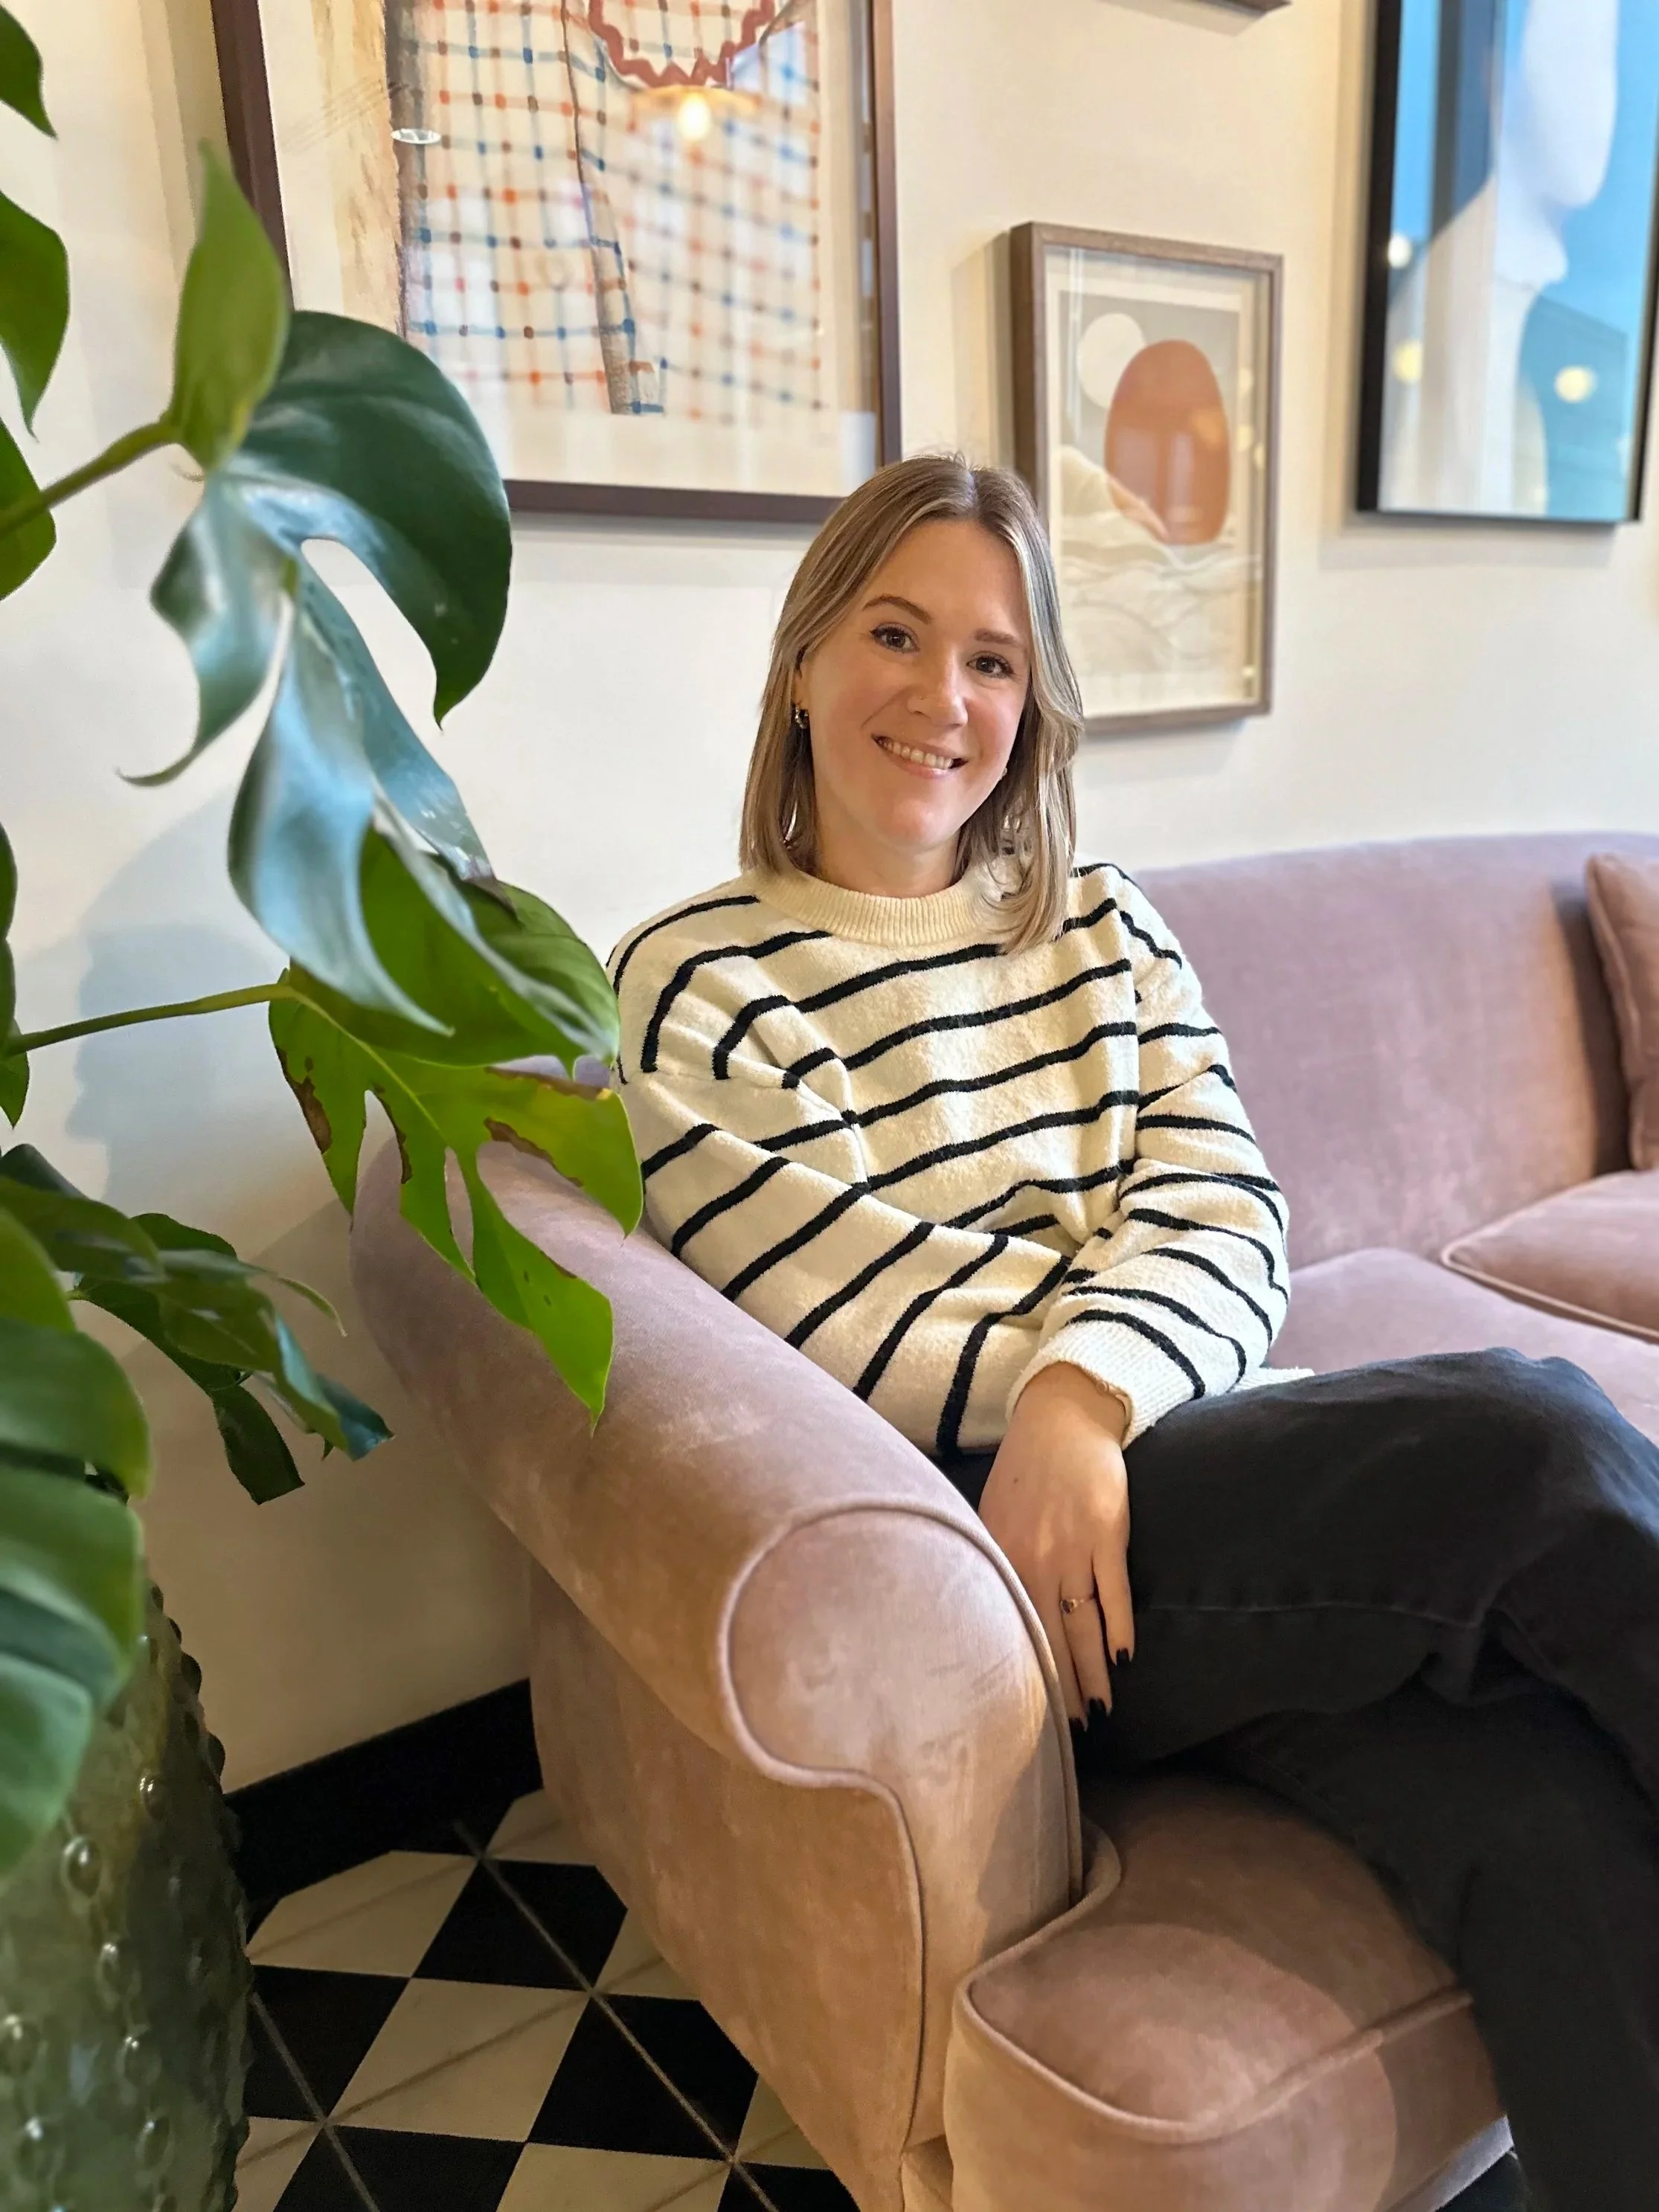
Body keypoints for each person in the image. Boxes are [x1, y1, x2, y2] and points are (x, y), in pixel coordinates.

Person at [608, 452, 1659, 2211]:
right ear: (800, 662)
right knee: (1536, 1433)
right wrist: (1076, 1404)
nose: (943, 698)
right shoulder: (699, 981)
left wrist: (1084, 1396)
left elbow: (1233, 1217)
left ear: (1034, 704)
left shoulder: (1101, 925)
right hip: (1011, 1565)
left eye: (994, 659)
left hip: (1195, 1482)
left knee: (1534, 1811)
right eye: (893, 631)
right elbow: (833, 1311)